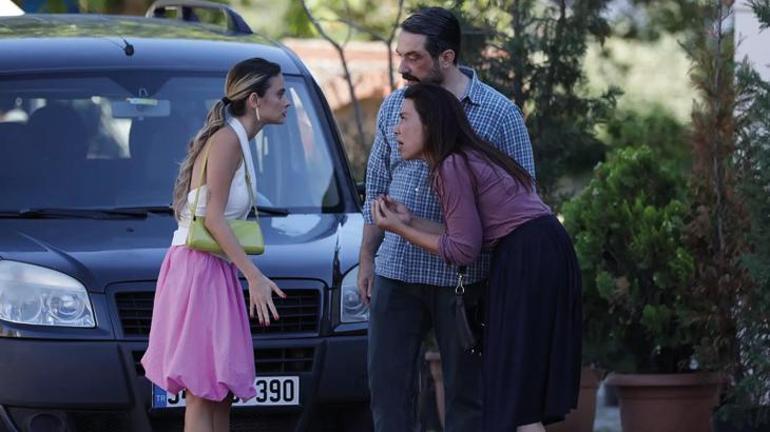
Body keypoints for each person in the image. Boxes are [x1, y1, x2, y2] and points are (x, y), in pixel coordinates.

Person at [359, 7, 536, 432]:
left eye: (414, 57)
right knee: (389, 397)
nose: (403, 68)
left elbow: (523, 200)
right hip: (396, 272)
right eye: (401, 56)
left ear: (447, 57)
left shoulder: (499, 113)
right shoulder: (394, 107)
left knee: (467, 401)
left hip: (466, 280)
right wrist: (366, 258)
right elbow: (376, 186)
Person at [372, 83, 582, 432]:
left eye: (405, 118)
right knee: (520, 392)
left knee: (517, 393)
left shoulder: (450, 165)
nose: (396, 129)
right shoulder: (461, 157)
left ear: (431, 123)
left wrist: (398, 229)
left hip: (527, 257)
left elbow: (462, 250)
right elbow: (468, 234)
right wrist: (410, 221)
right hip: (542, 250)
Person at [141, 58, 291, 432]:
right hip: (198, 267)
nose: (287, 101)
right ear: (255, 100)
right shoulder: (227, 141)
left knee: (219, 391)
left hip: (213, 266)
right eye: (280, 93)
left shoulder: (237, 140)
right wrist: (254, 276)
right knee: (202, 389)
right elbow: (213, 218)